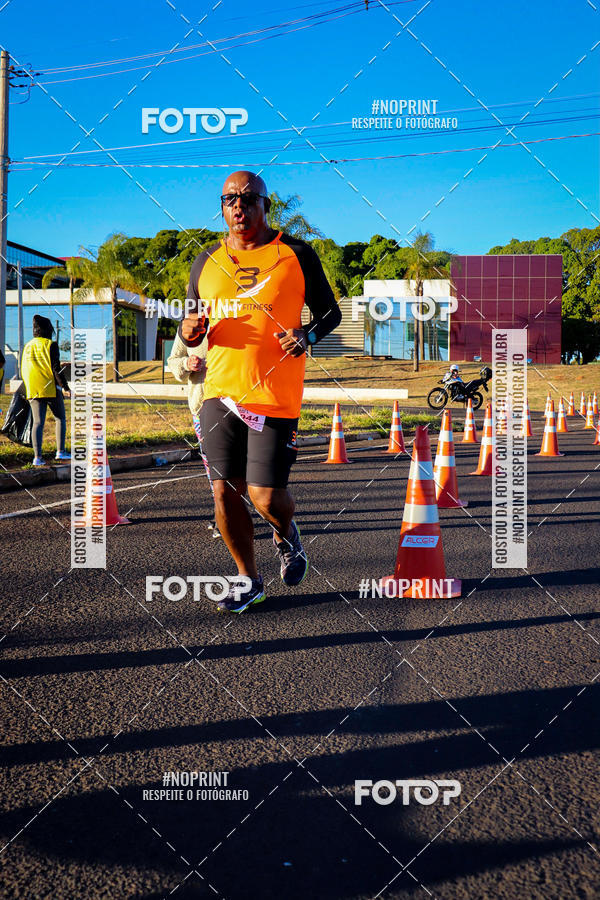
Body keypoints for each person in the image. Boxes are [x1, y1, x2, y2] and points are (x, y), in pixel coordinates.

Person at [180, 170, 341, 613]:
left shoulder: (296, 253)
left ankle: (286, 533)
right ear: (222, 206)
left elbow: (330, 313)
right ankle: (248, 579)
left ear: (266, 205)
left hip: (275, 394)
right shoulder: (206, 260)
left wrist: (307, 334)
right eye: (229, 198)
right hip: (219, 393)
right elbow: (191, 323)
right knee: (223, 493)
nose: (239, 206)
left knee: (265, 496)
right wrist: (189, 331)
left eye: (249, 198)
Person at [167, 323, 220, 538]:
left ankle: (230, 513)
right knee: (212, 464)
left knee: (235, 463)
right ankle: (222, 512)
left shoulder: (235, 315)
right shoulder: (191, 323)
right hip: (202, 406)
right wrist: (186, 363)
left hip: (238, 405)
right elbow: (173, 360)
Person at [21, 314, 71, 466]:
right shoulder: (50, 345)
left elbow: (24, 368)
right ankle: (60, 451)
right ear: (48, 330)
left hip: (33, 388)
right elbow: (56, 369)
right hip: (49, 387)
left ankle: (37, 458)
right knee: (60, 418)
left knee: (38, 422)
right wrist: (65, 387)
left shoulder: (27, 346)